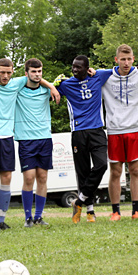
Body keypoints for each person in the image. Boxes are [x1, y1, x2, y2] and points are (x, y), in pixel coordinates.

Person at [0, 58, 59, 230]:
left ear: (13, 72)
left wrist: (51, 86)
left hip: (10, 136)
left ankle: (27, 218)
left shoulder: (16, 84)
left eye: (8, 72)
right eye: (2, 72)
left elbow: (37, 78)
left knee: (20, 178)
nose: (5, 76)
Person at [101, 44, 138, 221]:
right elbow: (86, 75)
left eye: (129, 59)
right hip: (114, 130)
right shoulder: (105, 77)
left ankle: (136, 211)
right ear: (116, 60)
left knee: (135, 170)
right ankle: (115, 211)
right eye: (122, 59)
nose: (126, 63)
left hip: (135, 129)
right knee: (116, 171)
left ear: (133, 59)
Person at [54, 55, 111, 223]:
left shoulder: (98, 76)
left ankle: (78, 201)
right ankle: (89, 211)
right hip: (78, 131)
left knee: (101, 165)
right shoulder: (66, 84)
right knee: (83, 172)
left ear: (87, 68)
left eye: (79, 67)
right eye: (73, 66)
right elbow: (48, 89)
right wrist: (54, 83)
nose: (74, 69)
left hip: (97, 130)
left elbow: (121, 70)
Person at [15, 58, 52, 227]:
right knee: (29, 178)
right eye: (34, 72)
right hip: (26, 140)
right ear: (26, 73)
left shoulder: (47, 90)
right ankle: (27, 217)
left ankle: (38, 216)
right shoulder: (18, 89)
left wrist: (51, 86)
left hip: (45, 138)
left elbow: (60, 84)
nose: (37, 75)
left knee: (42, 177)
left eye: (40, 71)